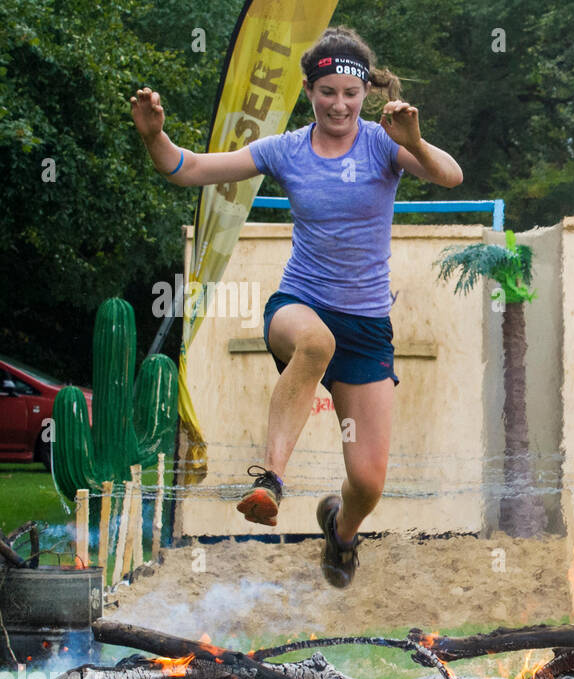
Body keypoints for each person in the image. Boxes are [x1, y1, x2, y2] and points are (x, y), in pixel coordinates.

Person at [130, 26, 463, 587]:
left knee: (369, 480)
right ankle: (271, 481)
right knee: (315, 343)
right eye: (327, 91)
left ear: (366, 94)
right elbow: (191, 169)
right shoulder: (285, 149)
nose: (339, 104)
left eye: (350, 94)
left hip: (366, 329)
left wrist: (417, 140)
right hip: (300, 305)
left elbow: (450, 176)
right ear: (309, 90)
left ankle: (341, 530)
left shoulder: (384, 143)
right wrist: (154, 138)